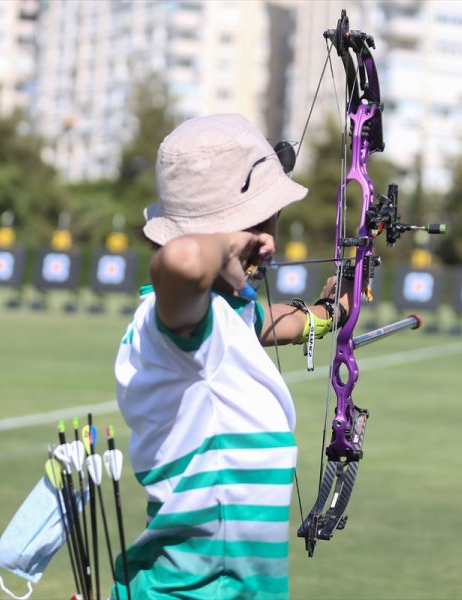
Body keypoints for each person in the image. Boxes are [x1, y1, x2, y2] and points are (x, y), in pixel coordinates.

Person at [113, 113, 354, 599]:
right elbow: (177, 263)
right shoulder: (174, 324)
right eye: (265, 222)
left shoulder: (218, 316)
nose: (271, 240)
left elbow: (259, 324)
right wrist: (227, 242)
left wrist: (327, 314)